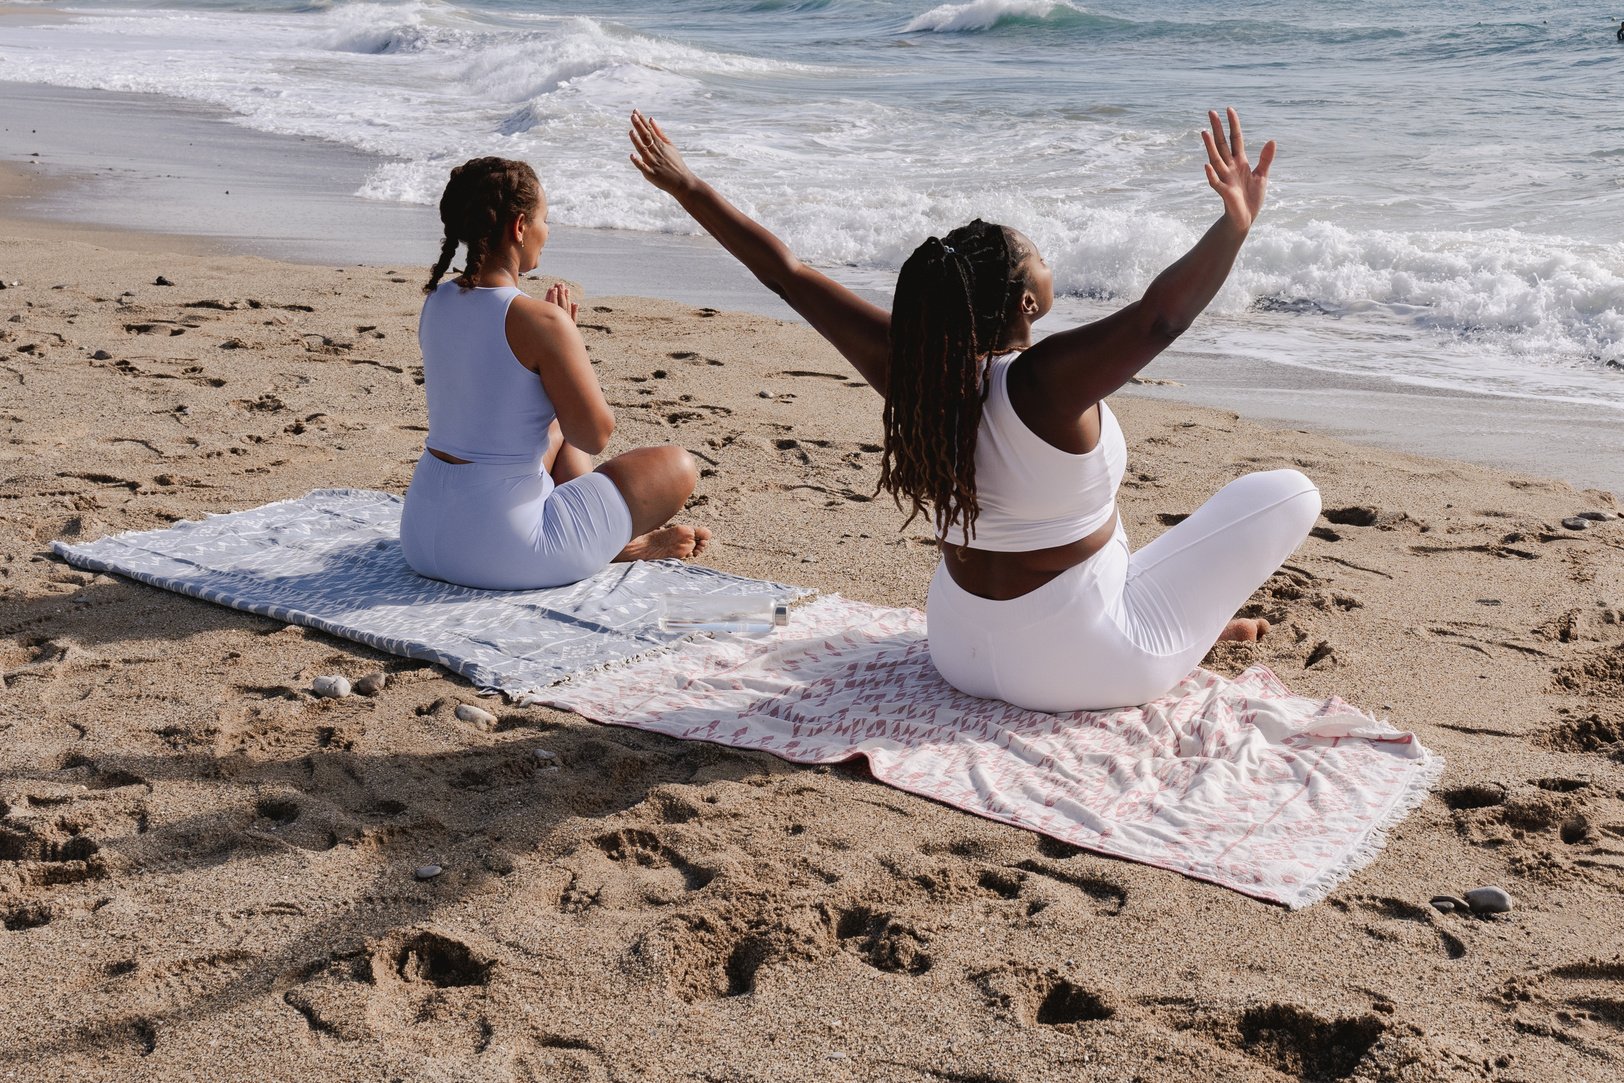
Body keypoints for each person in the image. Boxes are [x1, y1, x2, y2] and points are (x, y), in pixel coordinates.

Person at [628, 107, 1320, 712]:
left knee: (1104, 541)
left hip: (958, 646)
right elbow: (1158, 319)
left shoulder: (914, 373)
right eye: (1038, 257)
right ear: (1027, 304)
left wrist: (687, 185)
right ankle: (1172, 636)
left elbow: (787, 274)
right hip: (1079, 658)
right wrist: (1234, 226)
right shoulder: (1044, 382)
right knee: (1289, 492)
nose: (1047, 263)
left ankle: (1181, 627)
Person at [400, 157, 709, 591]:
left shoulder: (438, 301)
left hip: (422, 536)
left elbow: (498, 411)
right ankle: (614, 545)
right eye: (545, 220)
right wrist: (564, 349)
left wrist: (553, 358)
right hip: (503, 553)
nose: (549, 231)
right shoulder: (540, 322)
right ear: (520, 226)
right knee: (677, 465)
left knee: (550, 438)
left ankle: (602, 541)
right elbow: (594, 435)